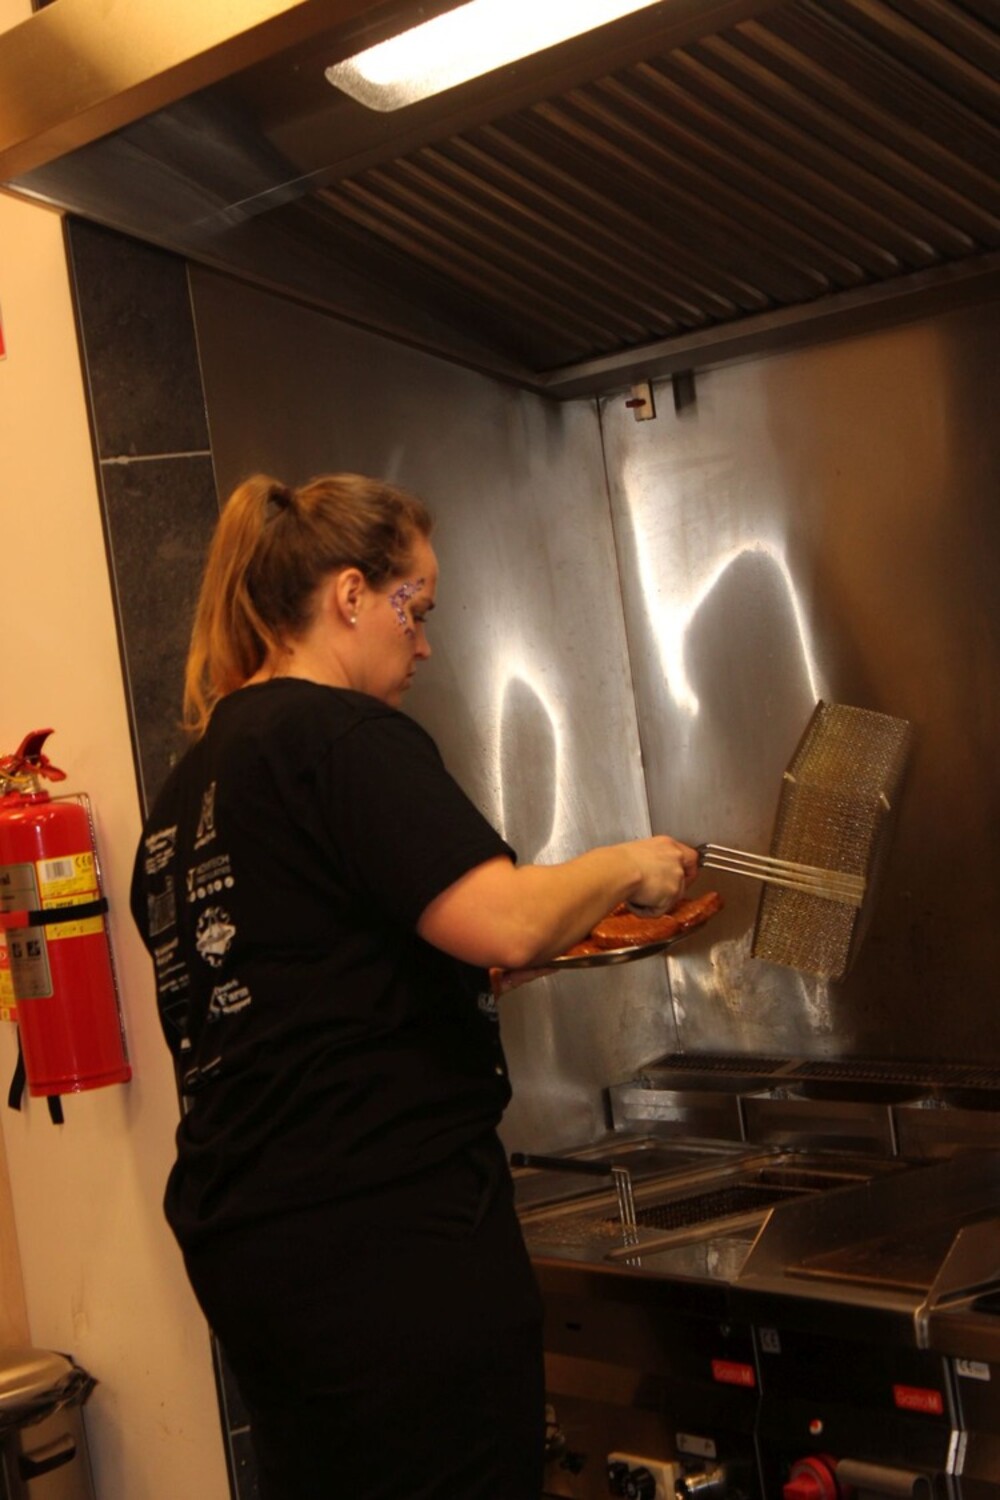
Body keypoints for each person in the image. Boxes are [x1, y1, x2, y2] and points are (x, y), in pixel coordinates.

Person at [130, 472, 698, 1500]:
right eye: (415, 608)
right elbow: (506, 917)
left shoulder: (185, 792)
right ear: (350, 595)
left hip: (254, 1246)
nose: (424, 644)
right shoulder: (338, 735)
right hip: (387, 1240)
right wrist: (630, 864)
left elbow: (305, 987)